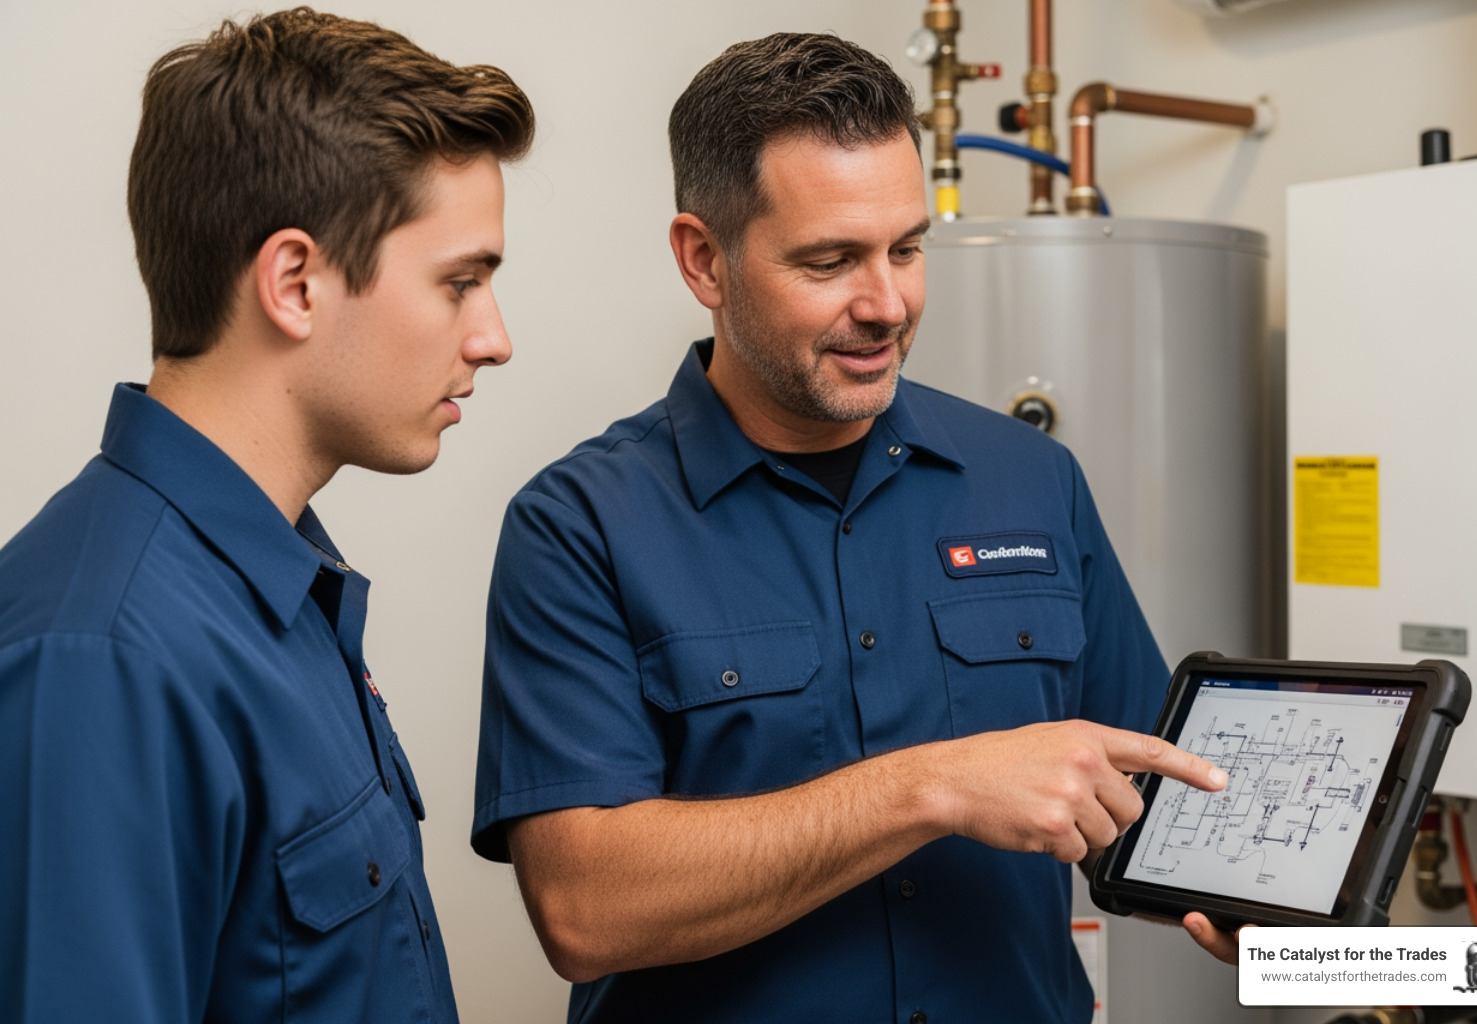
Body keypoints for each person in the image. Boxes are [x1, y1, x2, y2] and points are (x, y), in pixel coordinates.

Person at [472, 32, 1228, 1024]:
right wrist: (932, 785)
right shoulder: (580, 526)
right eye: (830, 261)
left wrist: (1274, 898)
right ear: (705, 259)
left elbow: (1143, 799)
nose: (887, 305)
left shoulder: (1032, 479)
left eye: (907, 249)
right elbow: (585, 906)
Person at [0, 9, 533, 1022]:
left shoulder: (276, 592)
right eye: (459, 282)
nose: (494, 337)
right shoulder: (102, 660)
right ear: (294, 282)